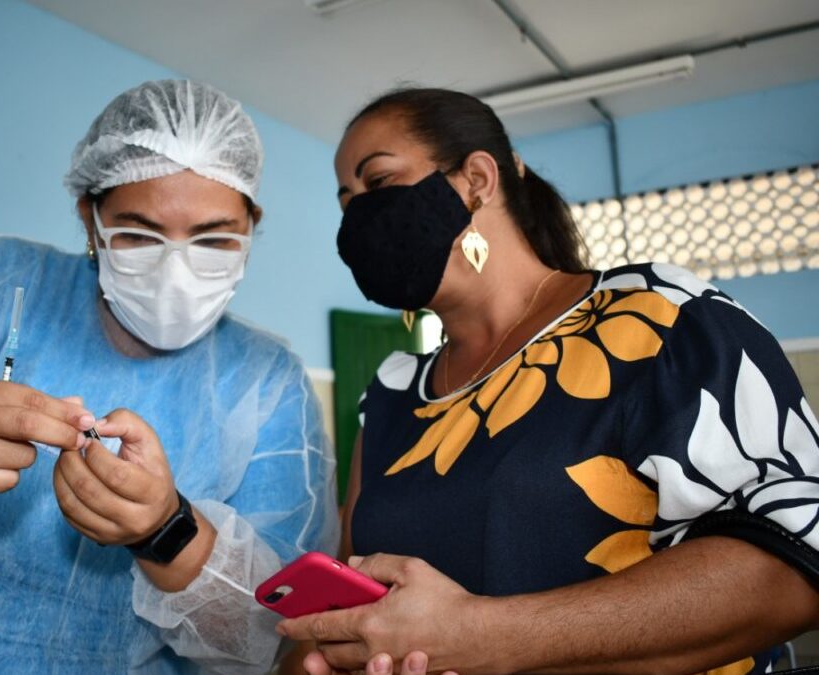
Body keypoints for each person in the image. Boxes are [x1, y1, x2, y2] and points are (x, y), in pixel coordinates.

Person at [0, 79, 338, 673]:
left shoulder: (268, 381)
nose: (175, 271)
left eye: (213, 238)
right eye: (138, 233)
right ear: (89, 217)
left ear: (251, 225)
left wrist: (166, 530)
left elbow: (282, 630)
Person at [279, 87, 819, 674]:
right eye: (346, 201)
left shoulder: (654, 318)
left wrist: (484, 637)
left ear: (476, 179)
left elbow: (795, 562)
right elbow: (352, 599)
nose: (359, 216)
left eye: (377, 183)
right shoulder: (390, 397)